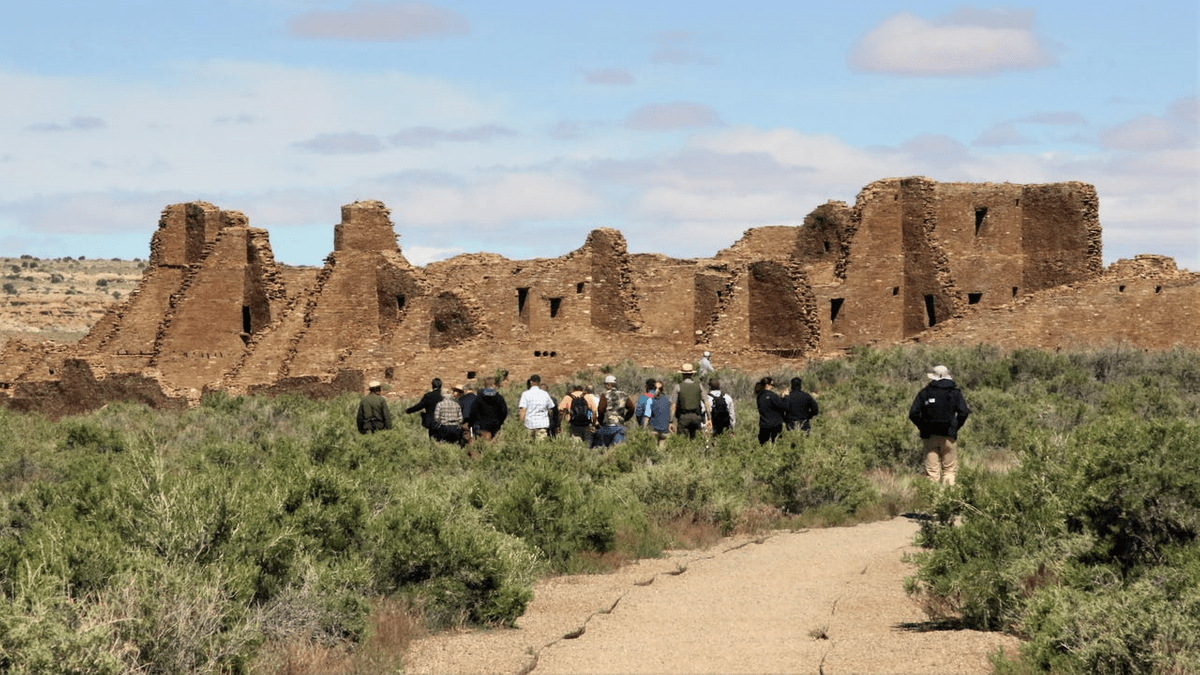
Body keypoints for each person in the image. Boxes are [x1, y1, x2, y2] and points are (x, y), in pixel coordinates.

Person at [908, 365, 971, 486]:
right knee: (949, 470)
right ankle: (948, 500)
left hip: (929, 436)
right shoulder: (954, 392)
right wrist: (955, 427)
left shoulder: (925, 392)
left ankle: (931, 501)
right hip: (948, 435)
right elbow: (963, 412)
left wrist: (923, 427)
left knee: (932, 472)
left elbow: (913, 413)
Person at [594, 374, 635, 448]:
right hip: (620, 426)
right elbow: (632, 408)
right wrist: (625, 419)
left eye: (606, 384)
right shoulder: (624, 395)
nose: (605, 386)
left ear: (609, 384)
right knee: (618, 449)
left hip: (607, 426)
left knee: (607, 448)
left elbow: (601, 409)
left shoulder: (605, 395)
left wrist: (600, 421)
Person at [518, 374, 556, 440]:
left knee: (529, 445)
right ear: (539, 382)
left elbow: (523, 409)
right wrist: (549, 419)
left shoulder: (525, 394)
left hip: (529, 424)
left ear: (531, 382)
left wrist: (521, 422)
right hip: (542, 424)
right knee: (541, 446)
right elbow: (550, 409)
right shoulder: (545, 394)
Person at [470, 376, 508, 441]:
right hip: (495, 426)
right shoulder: (499, 398)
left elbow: (473, 412)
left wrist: (474, 423)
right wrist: (499, 422)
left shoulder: (479, 398)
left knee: (483, 446)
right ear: (492, 385)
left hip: (482, 426)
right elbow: (504, 412)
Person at [673, 363, 704, 440]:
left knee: (682, 441)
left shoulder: (678, 387)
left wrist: (670, 421)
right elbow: (706, 402)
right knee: (696, 439)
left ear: (682, 374)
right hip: (696, 416)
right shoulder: (699, 386)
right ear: (692, 374)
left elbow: (673, 405)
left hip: (683, 417)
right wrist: (709, 418)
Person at [755, 377, 787, 444]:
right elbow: (782, 406)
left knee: (763, 444)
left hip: (764, 424)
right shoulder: (772, 396)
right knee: (776, 443)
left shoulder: (759, 396)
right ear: (767, 385)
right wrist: (784, 397)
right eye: (772, 384)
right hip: (775, 424)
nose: (773, 386)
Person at [647, 380, 673, 449]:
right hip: (665, 430)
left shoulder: (651, 400)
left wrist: (645, 427)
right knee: (662, 452)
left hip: (654, 429)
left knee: (653, 451)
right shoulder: (668, 399)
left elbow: (647, 415)